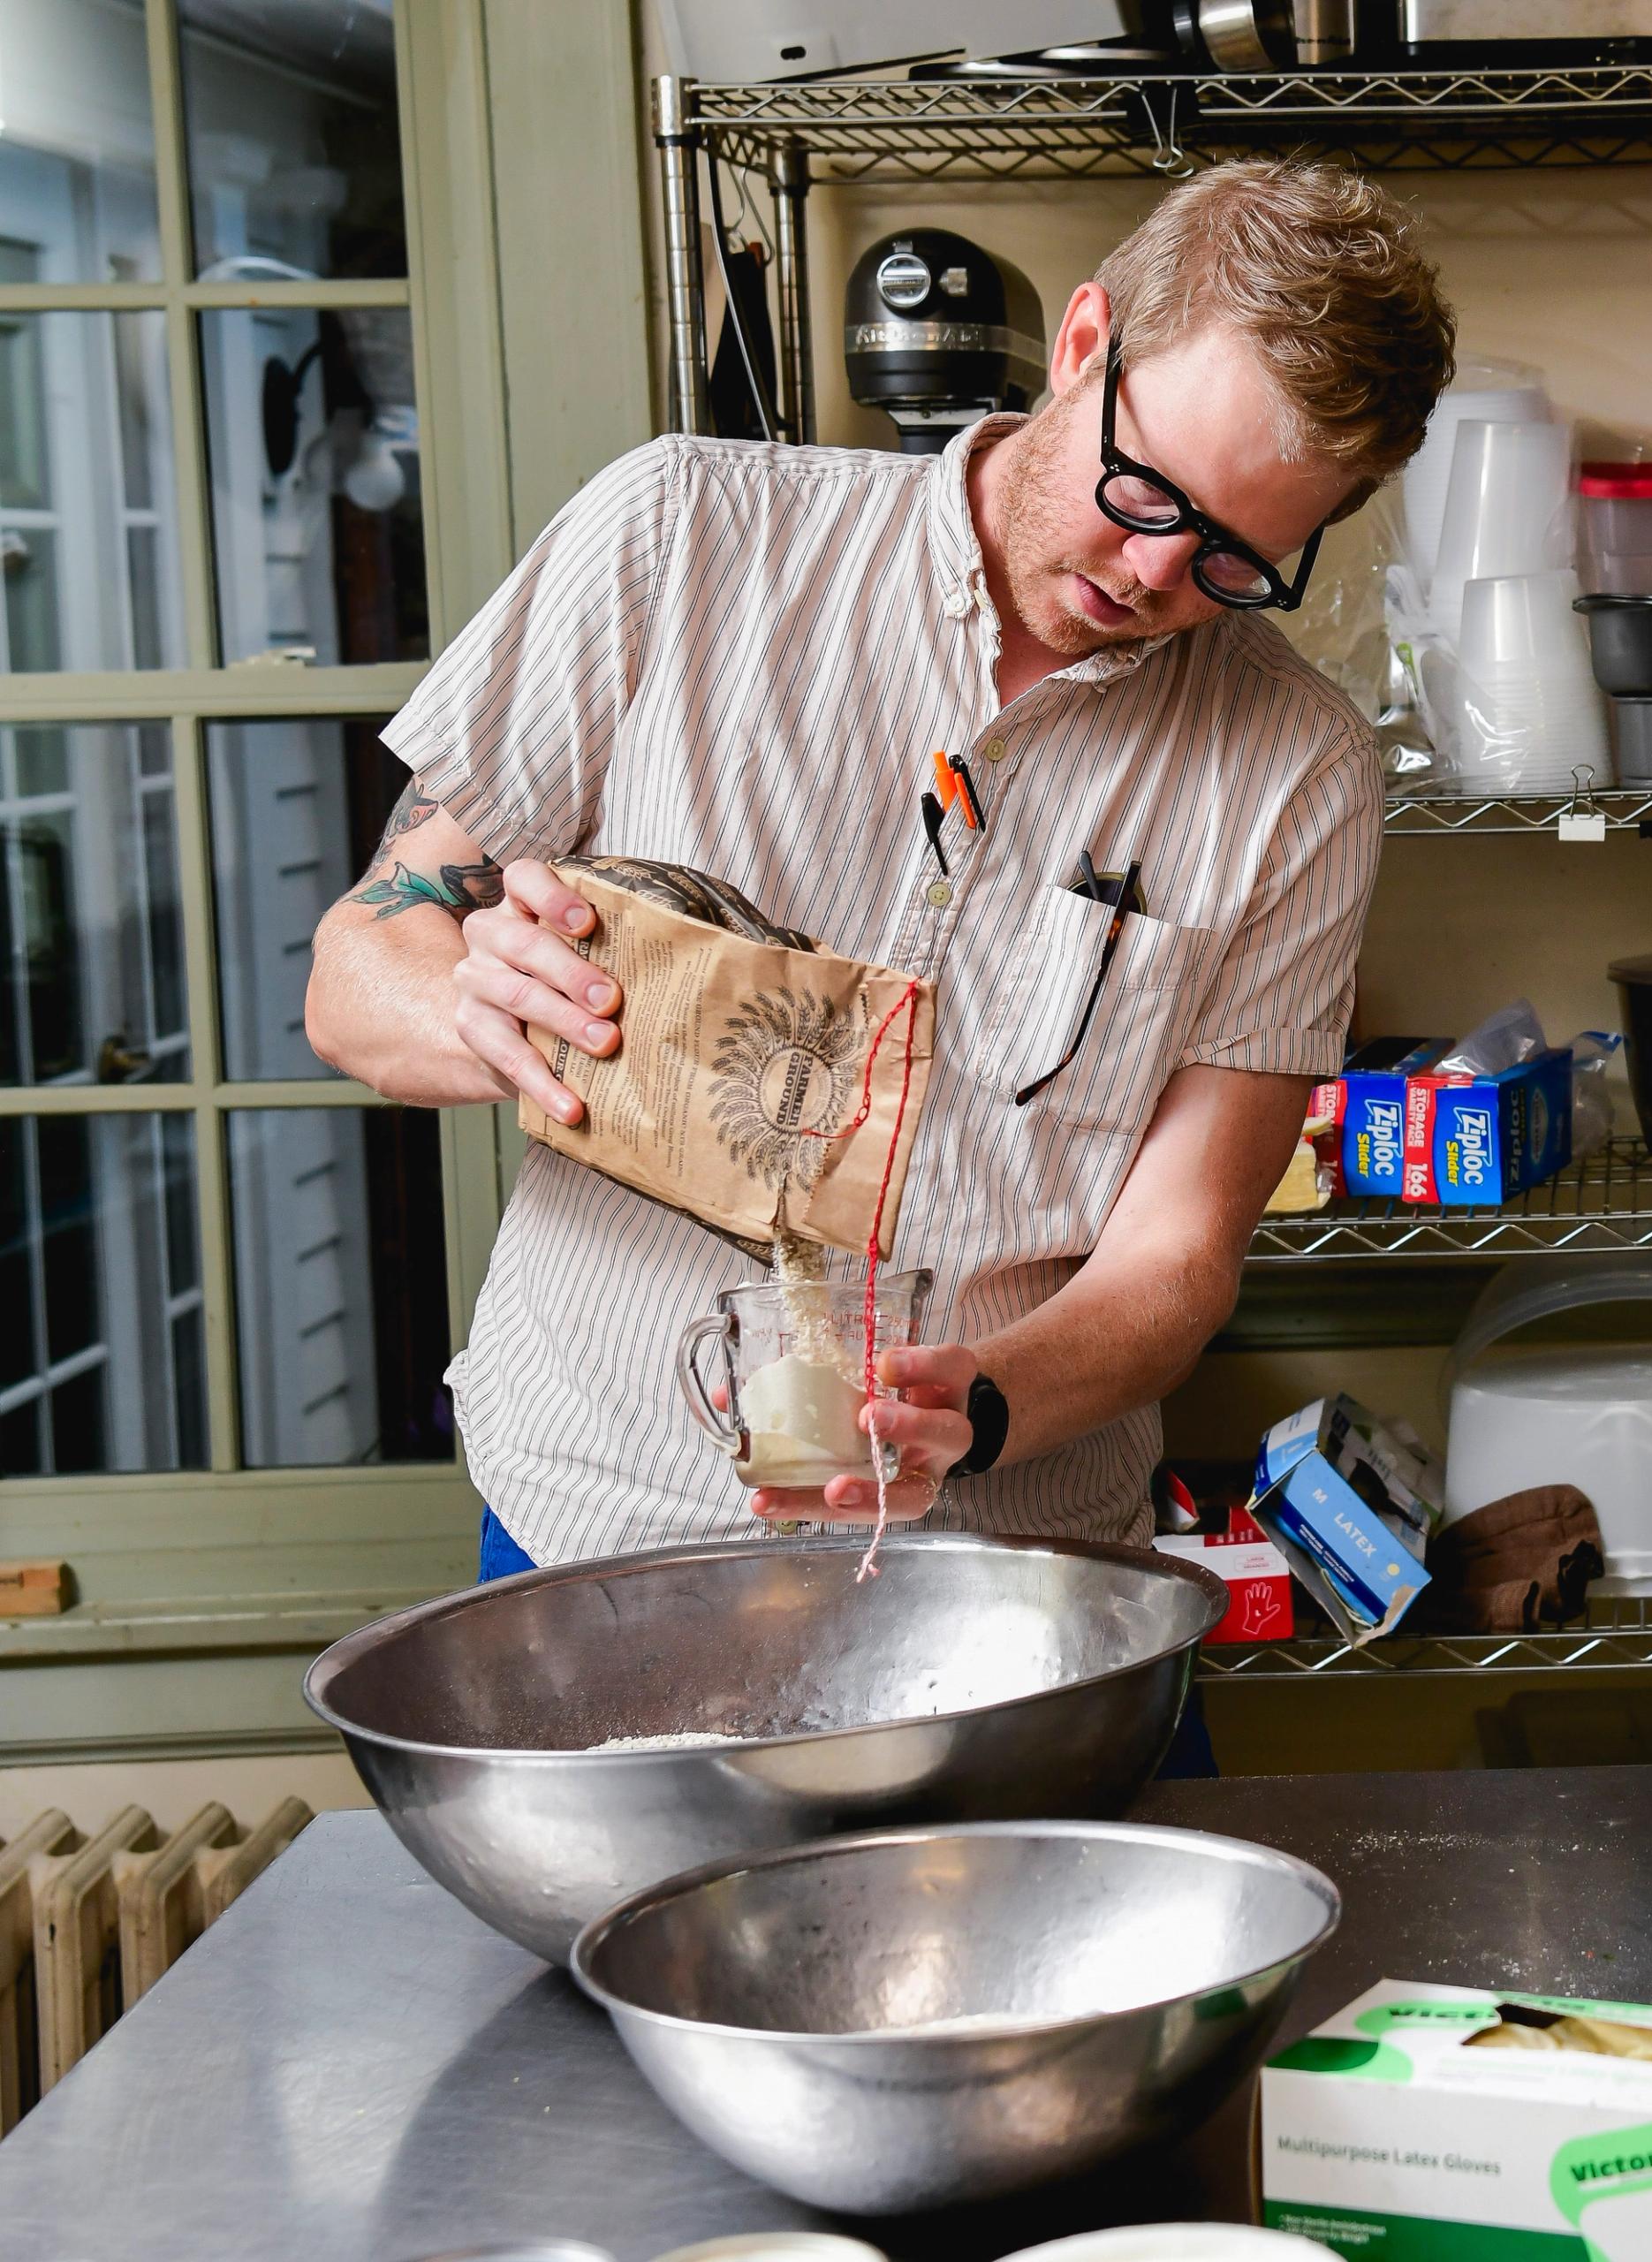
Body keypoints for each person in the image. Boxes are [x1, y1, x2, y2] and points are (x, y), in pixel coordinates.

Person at [308, 161, 1456, 1575]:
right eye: (1146, 490)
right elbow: (357, 964)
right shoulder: (680, 535)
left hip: (1010, 1564)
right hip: (593, 1527)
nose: (1157, 574)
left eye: (1235, 556)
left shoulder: (1298, 768)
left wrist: (982, 1407)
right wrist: (468, 1004)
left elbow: (1177, 1258)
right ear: (1083, 343)